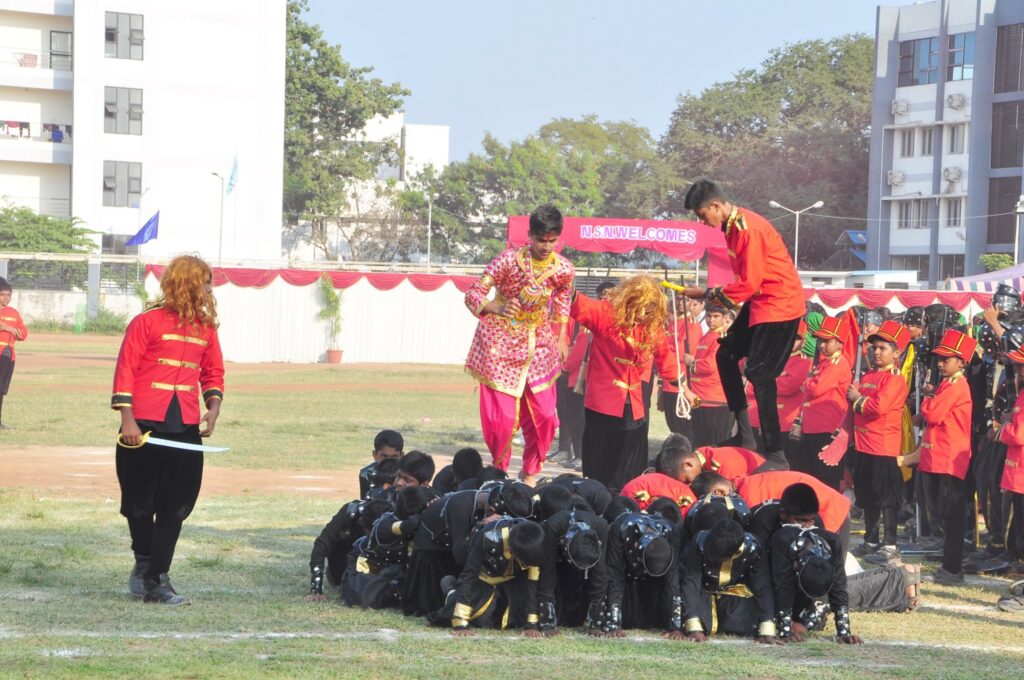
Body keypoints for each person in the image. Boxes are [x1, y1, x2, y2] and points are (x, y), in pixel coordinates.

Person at [112, 255, 224, 606]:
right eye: (204, 281)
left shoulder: (206, 328)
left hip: (184, 425)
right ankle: (144, 562)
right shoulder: (146, 322)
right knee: (139, 504)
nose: (209, 288)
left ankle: (157, 578)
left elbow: (213, 370)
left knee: (176, 506)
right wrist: (127, 419)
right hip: (142, 424)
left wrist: (213, 406)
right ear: (187, 283)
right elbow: (126, 368)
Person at [682, 180, 805, 471]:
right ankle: (745, 437)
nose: (703, 222)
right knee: (725, 356)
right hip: (762, 302)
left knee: (759, 374)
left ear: (716, 206)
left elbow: (750, 282)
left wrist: (709, 294)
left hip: (780, 305)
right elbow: (747, 283)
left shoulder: (748, 228)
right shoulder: (732, 228)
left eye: (702, 215)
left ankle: (776, 454)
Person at [464, 204, 575, 486]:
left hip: (539, 343)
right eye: (541, 240)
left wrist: (562, 336)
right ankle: (499, 472)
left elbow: (562, 299)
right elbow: (473, 294)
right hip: (499, 344)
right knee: (501, 421)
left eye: (552, 241)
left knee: (546, 415)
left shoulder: (563, 268)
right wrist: (495, 307)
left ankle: (530, 473)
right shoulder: (507, 261)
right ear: (530, 235)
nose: (546, 246)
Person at [570, 276, 679, 490]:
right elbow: (579, 304)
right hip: (603, 401)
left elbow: (665, 356)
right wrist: (564, 281)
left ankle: (625, 497)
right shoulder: (605, 314)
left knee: (631, 460)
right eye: (642, 307)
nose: (644, 314)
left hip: (634, 402)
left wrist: (682, 388)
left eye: (650, 310)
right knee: (600, 459)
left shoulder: (652, 326)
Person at [907, 329, 975, 584]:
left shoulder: (957, 386)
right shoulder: (948, 384)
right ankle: (950, 564)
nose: (940, 363)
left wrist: (926, 399)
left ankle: (952, 568)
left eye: (947, 359)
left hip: (949, 459)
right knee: (942, 512)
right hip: (939, 457)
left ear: (961, 362)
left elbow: (933, 415)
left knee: (953, 515)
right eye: (940, 358)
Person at [847, 320, 911, 565]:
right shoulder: (869, 375)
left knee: (888, 499)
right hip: (864, 445)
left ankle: (890, 543)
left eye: (883, 348)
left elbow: (878, 407)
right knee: (867, 495)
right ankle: (871, 539)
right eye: (874, 347)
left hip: (883, 446)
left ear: (896, 354)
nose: (876, 352)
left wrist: (857, 398)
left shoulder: (895, 379)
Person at [769, 485, 862, 644]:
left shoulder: (827, 538)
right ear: (783, 515)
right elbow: (782, 583)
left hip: (808, 593)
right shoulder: (778, 533)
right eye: (800, 521)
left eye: (810, 521)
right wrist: (784, 628)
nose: (805, 526)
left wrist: (843, 631)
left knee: (815, 619)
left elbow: (837, 582)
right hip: (772, 589)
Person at [431, 517, 547, 636]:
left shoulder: (535, 538)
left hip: (513, 582)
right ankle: (450, 590)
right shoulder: (487, 536)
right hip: (483, 579)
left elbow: (533, 583)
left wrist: (531, 625)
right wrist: (460, 624)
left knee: (512, 621)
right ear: (512, 551)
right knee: (469, 617)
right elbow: (470, 575)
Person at [679, 518, 778, 644]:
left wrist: (767, 630)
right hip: (703, 593)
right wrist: (693, 627)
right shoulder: (699, 542)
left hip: (733, 595)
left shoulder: (753, 547)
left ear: (735, 553)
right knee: (698, 622)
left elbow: (763, 586)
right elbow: (691, 582)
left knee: (743, 626)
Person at [555, 281, 616, 470]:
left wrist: (565, 368)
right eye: (601, 295)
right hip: (580, 378)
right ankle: (577, 453)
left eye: (607, 295)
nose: (603, 299)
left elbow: (580, 351)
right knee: (574, 419)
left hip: (582, 379)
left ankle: (582, 455)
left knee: (581, 420)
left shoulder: (599, 324)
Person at [792, 316, 853, 487]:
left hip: (827, 427)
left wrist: (807, 383)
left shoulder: (837, 363)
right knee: (812, 476)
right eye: (820, 340)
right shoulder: (824, 363)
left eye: (827, 341)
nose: (821, 345)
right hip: (813, 426)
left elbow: (815, 389)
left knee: (827, 478)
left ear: (840, 344)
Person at [307, 498, 392, 601]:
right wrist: (316, 589)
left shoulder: (391, 515)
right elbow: (321, 545)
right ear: (361, 521)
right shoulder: (349, 513)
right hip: (343, 566)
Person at [684, 302, 733, 447]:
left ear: (724, 318)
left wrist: (692, 363)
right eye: (709, 316)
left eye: (716, 316)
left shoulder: (723, 338)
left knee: (714, 444)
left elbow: (711, 365)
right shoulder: (706, 337)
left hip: (714, 401)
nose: (711, 320)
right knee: (700, 443)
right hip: (699, 398)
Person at [0, 277, 28, 430]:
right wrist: (11, 329)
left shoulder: (13, 313)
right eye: (3, 294)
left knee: (1, 391)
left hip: (8, 355)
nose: (6, 298)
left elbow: (23, 333)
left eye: (8, 295)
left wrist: (9, 328)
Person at [358, 430, 404, 499]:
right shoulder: (367, 474)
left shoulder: (409, 475)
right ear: (375, 455)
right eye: (384, 456)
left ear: (402, 456)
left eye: (394, 457)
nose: (389, 461)